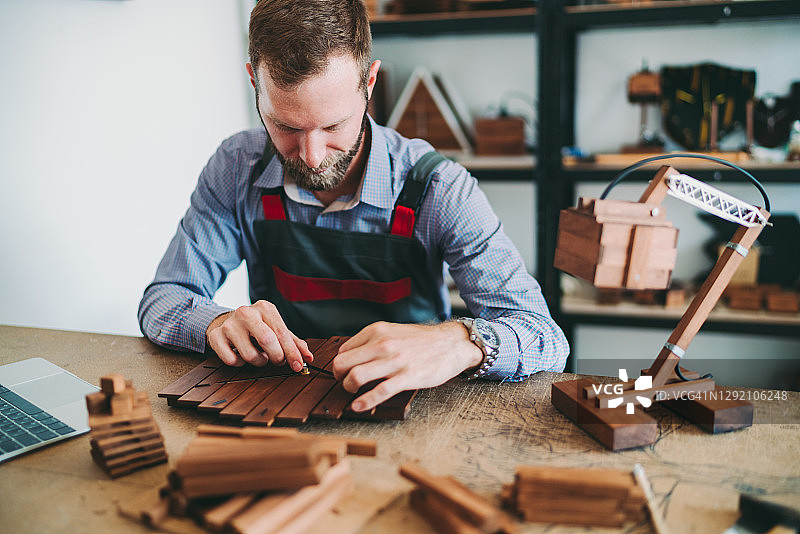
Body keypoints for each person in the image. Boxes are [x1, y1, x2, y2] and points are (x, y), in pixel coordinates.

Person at [138, 0, 568, 413]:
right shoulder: (236, 168)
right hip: (278, 405)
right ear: (254, 81)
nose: (311, 155)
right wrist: (215, 323)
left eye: (333, 125)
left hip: (412, 413)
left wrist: (461, 340)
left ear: (370, 83)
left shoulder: (439, 187)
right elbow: (163, 300)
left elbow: (545, 337)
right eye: (286, 126)